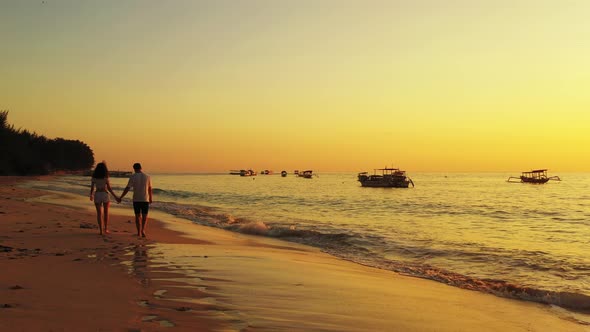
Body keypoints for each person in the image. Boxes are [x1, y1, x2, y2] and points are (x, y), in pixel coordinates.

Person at [119, 163, 153, 238]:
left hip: (136, 199)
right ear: (141, 168)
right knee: (144, 215)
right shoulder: (147, 176)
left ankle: (138, 232)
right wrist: (150, 198)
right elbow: (150, 188)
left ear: (134, 169)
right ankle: (143, 230)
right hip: (145, 199)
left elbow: (127, 188)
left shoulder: (133, 176)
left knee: (137, 216)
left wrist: (121, 196)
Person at [89, 162, 119, 235]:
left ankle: (101, 231)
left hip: (97, 194)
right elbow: (109, 188)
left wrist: (91, 195)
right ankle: (105, 229)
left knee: (99, 213)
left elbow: (92, 188)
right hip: (105, 194)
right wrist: (115, 197)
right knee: (106, 213)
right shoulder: (106, 178)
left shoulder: (94, 178)